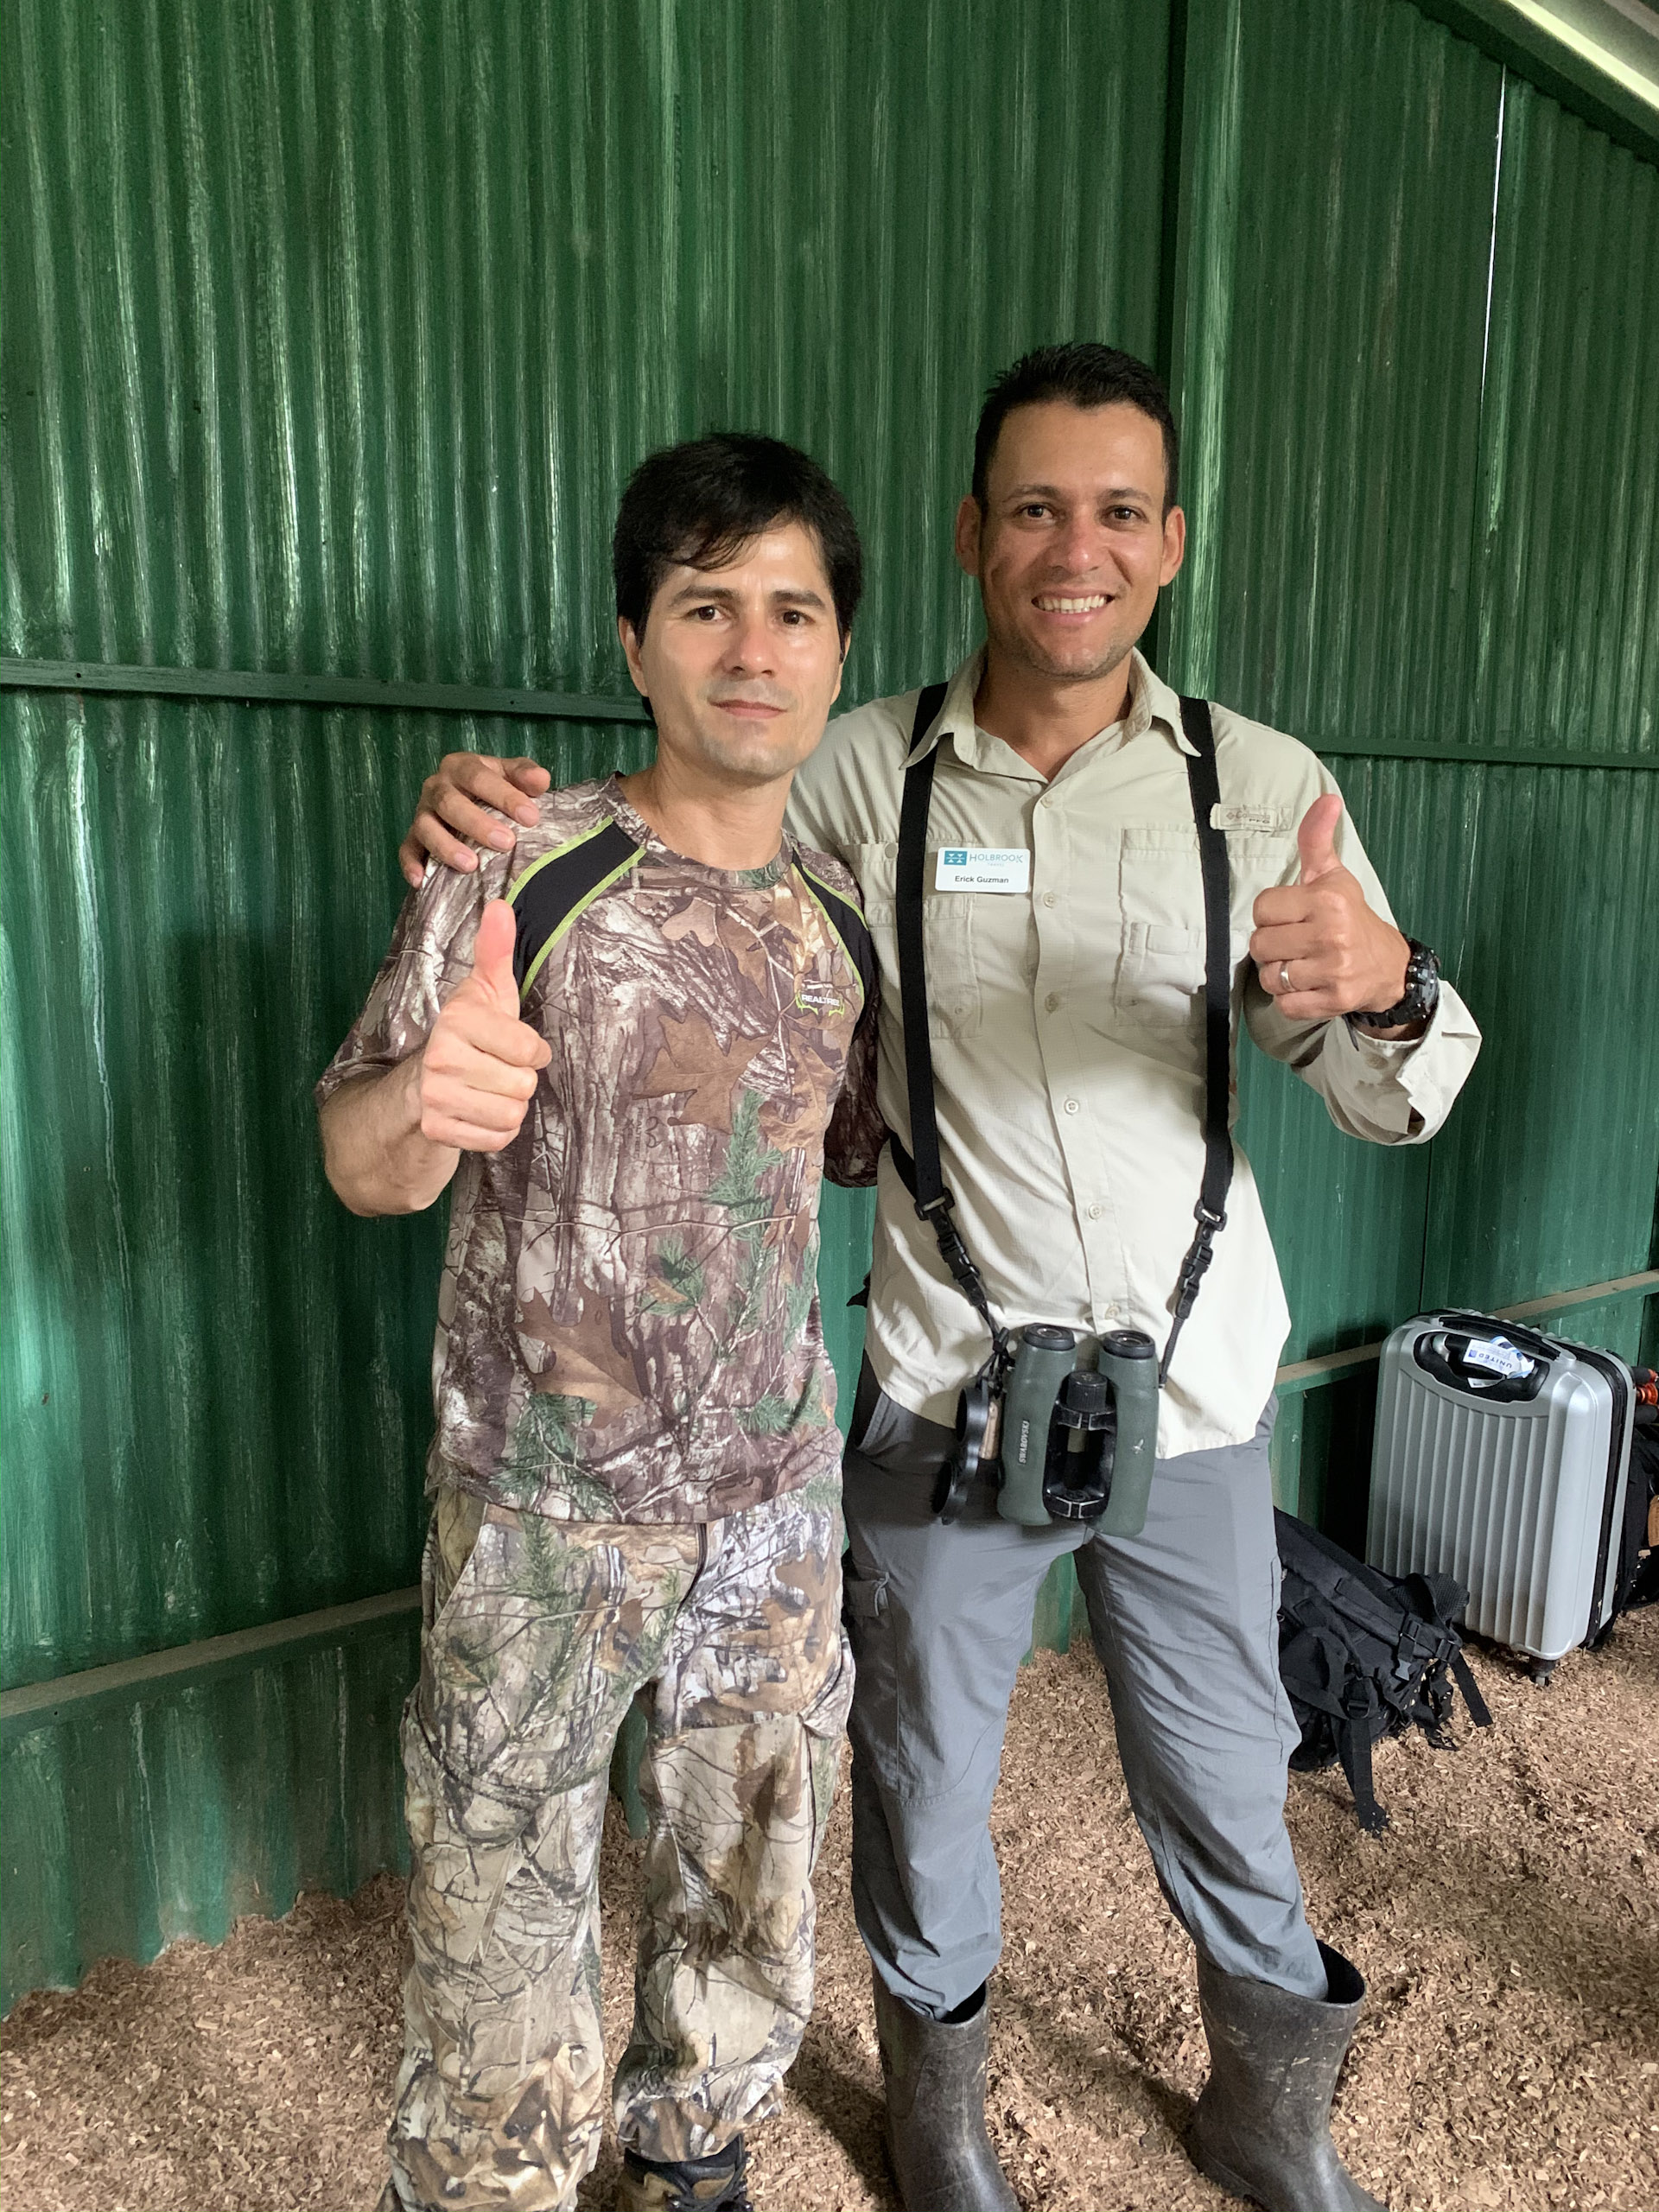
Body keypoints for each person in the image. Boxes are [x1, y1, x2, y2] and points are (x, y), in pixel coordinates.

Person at [397, 344, 1481, 2212]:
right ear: (977, 535)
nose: (1079, 548)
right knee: (916, 1774)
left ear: (1171, 541)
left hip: (1194, 1391)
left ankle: (1270, 2108)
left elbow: (1396, 1095)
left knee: (1230, 1771)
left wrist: (1387, 986)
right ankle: (941, 2121)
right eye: (1038, 508)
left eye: (1119, 511)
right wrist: (474, 815)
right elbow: (685, 824)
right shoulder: (846, 772)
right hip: (946, 1388)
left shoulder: (1263, 787)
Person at [319, 432, 887, 2212]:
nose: (751, 648)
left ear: (839, 653)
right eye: (705, 605)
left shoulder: (839, 924)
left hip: (773, 1513)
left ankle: (692, 2154)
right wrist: (428, 1104)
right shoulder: (519, 867)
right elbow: (359, 1159)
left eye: (792, 609)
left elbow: (829, 1162)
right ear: (635, 642)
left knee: (752, 1892)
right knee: (500, 1909)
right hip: (542, 1520)